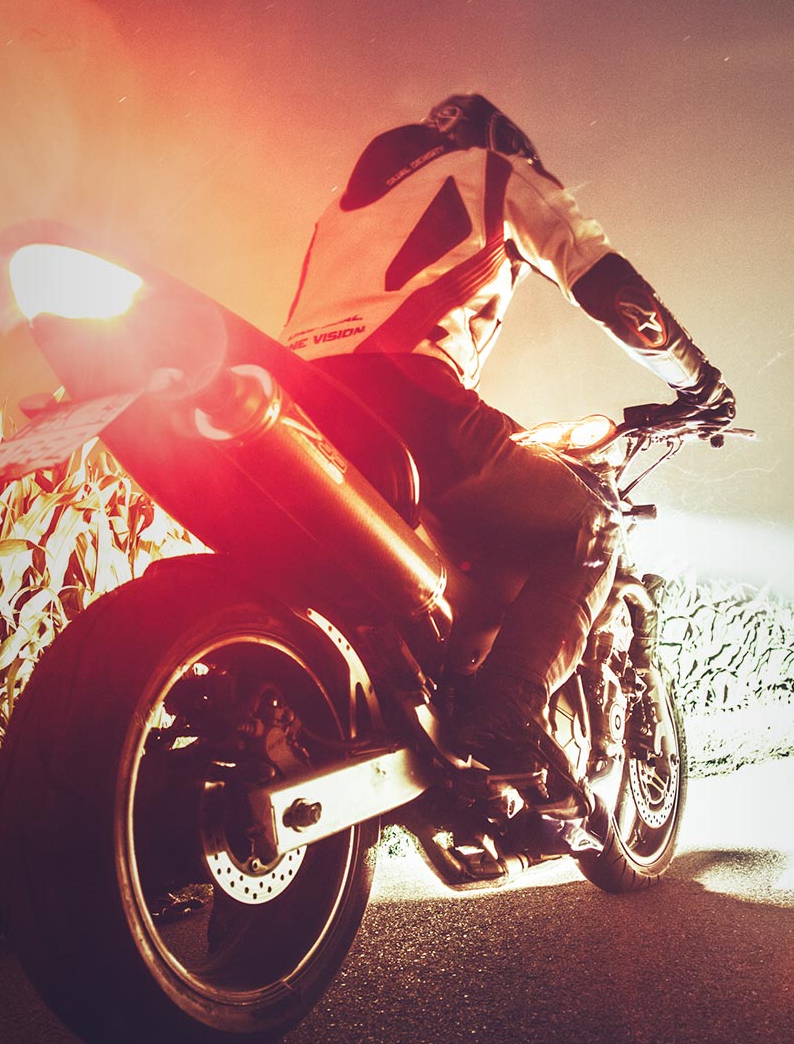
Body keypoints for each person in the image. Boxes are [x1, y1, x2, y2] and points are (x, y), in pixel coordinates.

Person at [282, 94, 735, 812]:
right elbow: (609, 285)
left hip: (304, 410)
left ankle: (433, 697)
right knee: (592, 523)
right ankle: (508, 706)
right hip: (416, 407)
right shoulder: (492, 171)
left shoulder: (339, 211)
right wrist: (696, 379)